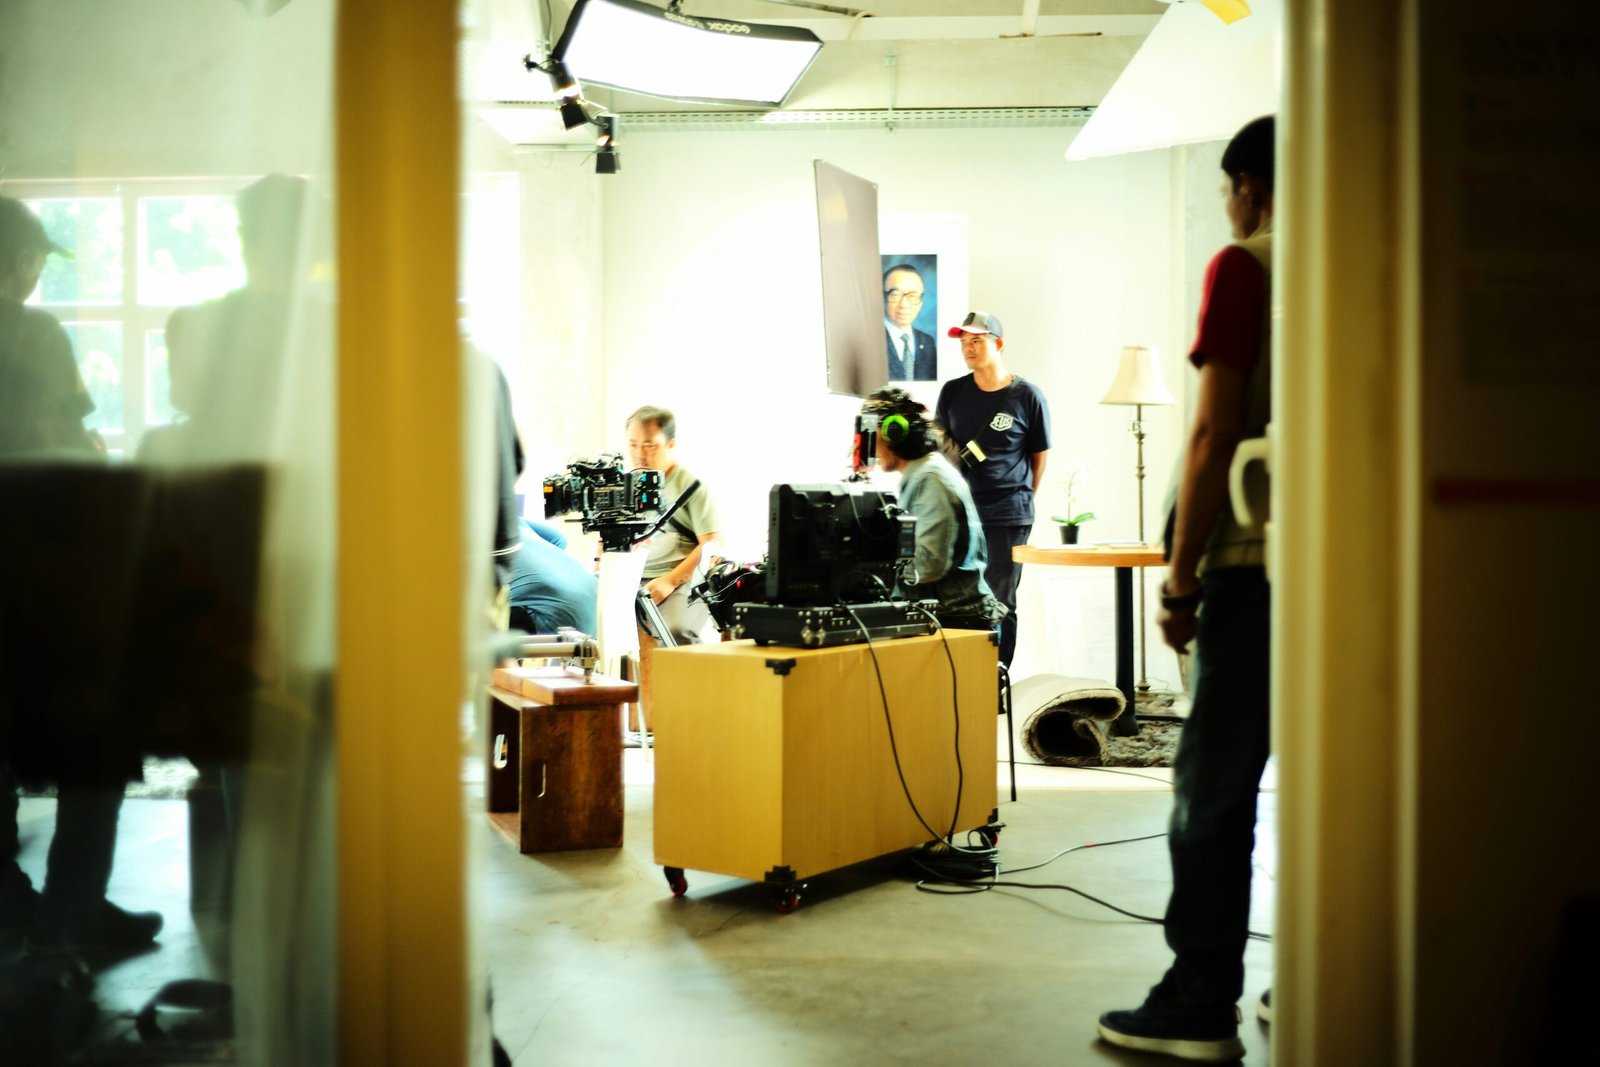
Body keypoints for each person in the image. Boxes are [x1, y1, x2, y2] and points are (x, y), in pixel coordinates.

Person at [1096, 114, 1277, 1062]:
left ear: (1248, 186)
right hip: (1338, 572)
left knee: (1213, 788)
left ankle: (1200, 999)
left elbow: (1212, 432)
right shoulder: (1353, 266)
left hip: (1250, 570)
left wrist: (1177, 580)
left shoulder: (1244, 267)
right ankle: (1325, 964)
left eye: (1227, 191)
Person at [0, 195, 162, 952]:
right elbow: (60, 438)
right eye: (36, 259)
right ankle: (75, 911)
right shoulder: (32, 332)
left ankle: (9, 905)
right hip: (32, 566)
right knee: (93, 743)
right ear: (22, 259)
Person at [935, 311, 1050, 667]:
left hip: (1008, 515)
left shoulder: (1027, 396)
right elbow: (942, 446)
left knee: (1000, 600)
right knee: (956, 599)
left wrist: (1021, 498)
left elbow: (1039, 456)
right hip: (961, 515)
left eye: (976, 340)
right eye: (963, 342)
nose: (968, 348)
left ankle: (995, 679)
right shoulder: (953, 392)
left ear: (998, 344)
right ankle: (965, 675)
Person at [863, 388, 1000, 630]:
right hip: (948, 614)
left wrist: (870, 571)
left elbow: (927, 565)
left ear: (894, 433)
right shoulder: (923, 474)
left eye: (872, 434)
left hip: (958, 620)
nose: (870, 446)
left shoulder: (930, 479)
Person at [626, 405, 721, 646]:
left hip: (681, 578)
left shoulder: (691, 487)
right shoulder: (627, 484)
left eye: (649, 445)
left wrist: (670, 581)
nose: (639, 454)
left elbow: (712, 545)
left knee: (675, 632)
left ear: (670, 443)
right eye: (633, 445)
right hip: (632, 576)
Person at [508, 519, 599, 636]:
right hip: (597, 608)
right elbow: (558, 539)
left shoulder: (487, 533)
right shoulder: (515, 522)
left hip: (556, 622)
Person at [883, 263, 937, 382]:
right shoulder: (870, 341)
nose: (904, 305)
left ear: (920, 303)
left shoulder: (927, 342)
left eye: (912, 296)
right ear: (883, 297)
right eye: (895, 295)